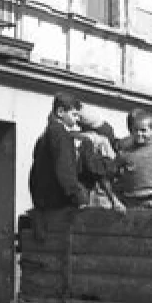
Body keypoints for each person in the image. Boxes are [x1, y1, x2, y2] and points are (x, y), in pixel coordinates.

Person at [28, 92, 88, 240]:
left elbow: (34, 172)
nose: (77, 119)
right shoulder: (61, 135)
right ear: (60, 112)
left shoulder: (44, 136)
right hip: (57, 202)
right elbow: (65, 169)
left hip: (42, 202)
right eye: (74, 115)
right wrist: (77, 196)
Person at [114, 109, 152, 210]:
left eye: (143, 130)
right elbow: (111, 174)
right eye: (136, 130)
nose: (139, 134)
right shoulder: (125, 153)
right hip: (130, 201)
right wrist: (116, 200)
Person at [74, 107, 124, 211]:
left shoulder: (71, 137)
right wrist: (114, 200)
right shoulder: (96, 141)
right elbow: (101, 173)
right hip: (92, 194)